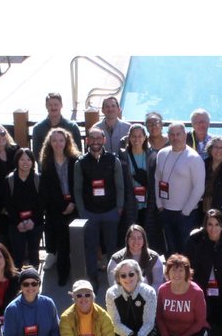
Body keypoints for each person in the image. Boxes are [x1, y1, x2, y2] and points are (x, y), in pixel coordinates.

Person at [75, 126, 125, 287]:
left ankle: (115, 279)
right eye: (92, 138)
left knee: (112, 247)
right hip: (90, 212)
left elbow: (120, 186)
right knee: (91, 247)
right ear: (87, 141)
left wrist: (119, 207)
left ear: (104, 140)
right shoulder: (81, 163)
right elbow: (77, 189)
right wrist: (82, 211)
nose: (95, 142)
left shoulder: (113, 160)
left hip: (111, 211)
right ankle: (92, 279)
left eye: (99, 138)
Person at [185, 209, 222, 336]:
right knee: (205, 317)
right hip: (201, 285)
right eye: (210, 224)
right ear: (205, 225)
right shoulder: (195, 240)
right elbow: (188, 265)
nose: (213, 228)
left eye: (217, 224)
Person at [154, 122, 206, 255]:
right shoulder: (162, 154)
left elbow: (199, 188)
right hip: (165, 211)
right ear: (168, 136)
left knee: (186, 251)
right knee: (170, 250)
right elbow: (157, 179)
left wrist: (186, 212)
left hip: (186, 215)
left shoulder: (194, 158)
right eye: (172, 134)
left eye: (178, 134)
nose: (175, 137)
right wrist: (159, 204)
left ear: (185, 135)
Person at [39, 127, 81, 286]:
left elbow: (79, 184)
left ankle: (74, 274)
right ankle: (63, 274)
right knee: (61, 242)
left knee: (72, 243)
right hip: (55, 209)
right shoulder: (46, 162)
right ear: (50, 142)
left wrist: (73, 203)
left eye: (61, 140)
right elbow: (47, 189)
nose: (58, 143)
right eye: (54, 140)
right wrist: (61, 205)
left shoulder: (75, 159)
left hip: (74, 206)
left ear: (67, 142)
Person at [105, 259, 158, 336]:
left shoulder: (149, 292)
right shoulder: (111, 293)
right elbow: (115, 322)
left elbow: (149, 322)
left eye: (131, 274)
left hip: (145, 332)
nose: (127, 278)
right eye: (123, 275)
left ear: (138, 274)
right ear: (118, 278)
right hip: (123, 333)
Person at [155, 254, 209, 336]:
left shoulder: (196, 292)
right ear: (168, 272)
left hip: (192, 333)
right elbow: (159, 318)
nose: (177, 274)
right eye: (173, 270)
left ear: (187, 273)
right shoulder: (163, 290)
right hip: (170, 334)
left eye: (181, 270)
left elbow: (200, 321)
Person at [122, 123, 161, 254]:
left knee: (147, 235)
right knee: (131, 236)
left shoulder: (152, 156)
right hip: (130, 203)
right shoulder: (122, 156)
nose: (136, 139)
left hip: (148, 202)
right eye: (133, 136)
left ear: (145, 137)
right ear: (129, 138)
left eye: (140, 136)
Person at [4, 148, 44, 269]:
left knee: (34, 252)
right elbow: (8, 204)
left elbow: (42, 202)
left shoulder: (38, 178)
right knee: (18, 255)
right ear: (17, 161)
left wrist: (33, 220)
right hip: (16, 224)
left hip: (35, 222)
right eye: (22, 159)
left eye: (28, 159)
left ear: (33, 162)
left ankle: (34, 281)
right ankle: (18, 282)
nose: (25, 162)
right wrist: (18, 222)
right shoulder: (9, 179)